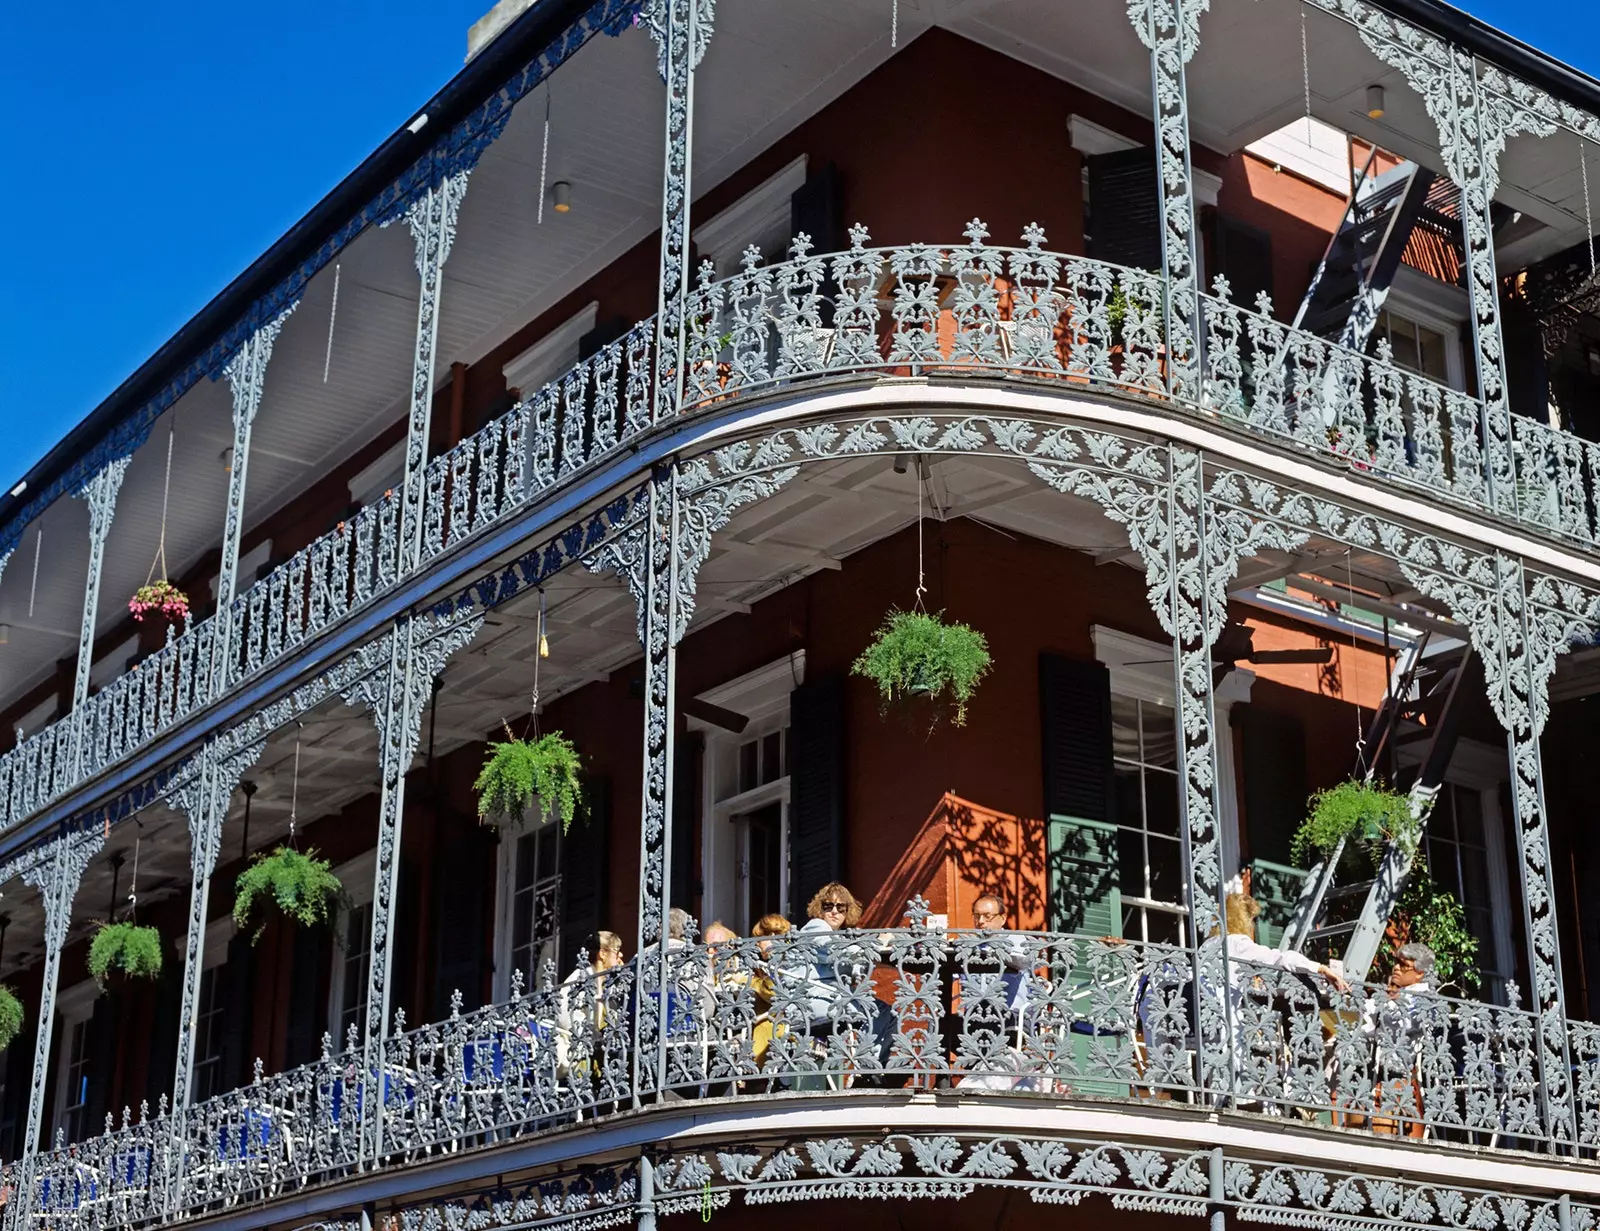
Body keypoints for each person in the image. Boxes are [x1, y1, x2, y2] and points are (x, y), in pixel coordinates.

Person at [793, 882, 895, 1081]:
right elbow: (835, 950)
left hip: (829, 996)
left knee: (883, 1012)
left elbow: (847, 961)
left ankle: (867, 1067)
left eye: (841, 908)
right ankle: (867, 1069)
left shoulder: (838, 934)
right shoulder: (816, 927)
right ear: (819, 909)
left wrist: (863, 957)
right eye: (828, 906)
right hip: (814, 998)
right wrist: (876, 944)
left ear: (848, 911)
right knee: (880, 1012)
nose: (834, 912)